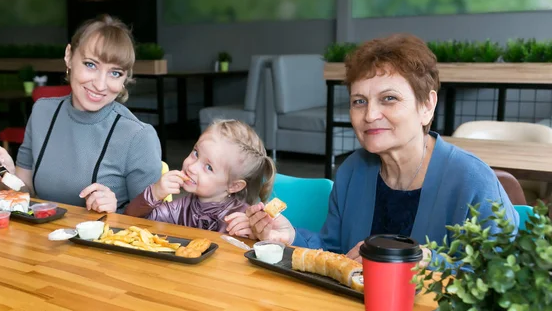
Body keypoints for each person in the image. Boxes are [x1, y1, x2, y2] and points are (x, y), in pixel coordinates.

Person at [246, 33, 519, 266]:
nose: (370, 114)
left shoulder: (471, 179)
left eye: (389, 98)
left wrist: (423, 260)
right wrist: (290, 237)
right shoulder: (353, 170)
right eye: (359, 101)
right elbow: (334, 253)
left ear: (427, 106)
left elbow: (505, 276)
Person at [0, 14, 162, 213]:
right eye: (91, 65)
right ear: (69, 56)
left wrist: (116, 213)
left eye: (115, 73)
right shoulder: (42, 112)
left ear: (125, 78)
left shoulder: (138, 136)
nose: (100, 85)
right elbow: (25, 195)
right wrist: (7, 174)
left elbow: (156, 224)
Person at [125, 119, 276, 238]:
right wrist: (154, 193)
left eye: (209, 167)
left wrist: (255, 236)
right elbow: (130, 222)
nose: (192, 167)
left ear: (234, 186)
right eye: (196, 153)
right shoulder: (179, 208)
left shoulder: (243, 219)